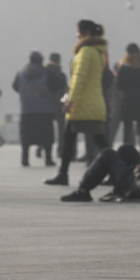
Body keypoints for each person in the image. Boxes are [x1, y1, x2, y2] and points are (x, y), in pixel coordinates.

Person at [44, 20, 111, 186]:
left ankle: (117, 170)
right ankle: (63, 173)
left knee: (95, 140)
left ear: (85, 32)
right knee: (74, 138)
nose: (76, 34)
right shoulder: (99, 51)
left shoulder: (86, 51)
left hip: (83, 103)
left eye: (78, 31)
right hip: (92, 101)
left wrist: (70, 100)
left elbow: (78, 79)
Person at [13, 51, 66, 167]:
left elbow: (15, 86)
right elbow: (60, 84)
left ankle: (25, 158)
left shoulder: (21, 73)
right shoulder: (48, 73)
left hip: (27, 109)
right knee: (46, 135)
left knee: (26, 135)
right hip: (45, 109)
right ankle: (48, 159)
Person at [114, 43, 140, 162]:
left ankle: (127, 155)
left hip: (128, 100)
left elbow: (119, 85)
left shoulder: (124, 67)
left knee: (127, 130)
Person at [44, 52, 67, 159]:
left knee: (45, 128)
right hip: (59, 105)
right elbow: (65, 91)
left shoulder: (44, 73)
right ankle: (61, 150)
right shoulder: (61, 75)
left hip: (46, 105)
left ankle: (41, 148)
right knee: (61, 129)